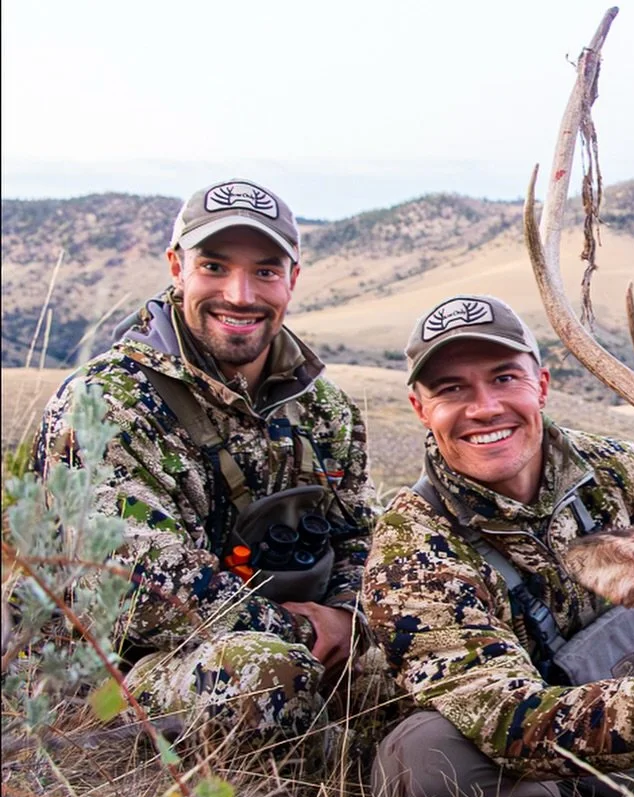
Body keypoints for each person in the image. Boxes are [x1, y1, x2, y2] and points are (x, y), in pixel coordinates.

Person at [34, 179, 378, 763]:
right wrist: (304, 632)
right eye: (214, 267)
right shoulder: (106, 403)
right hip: (122, 670)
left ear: (292, 279)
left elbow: (361, 537)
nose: (240, 295)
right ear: (177, 267)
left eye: (265, 271)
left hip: (300, 646)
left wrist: (348, 615)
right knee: (264, 675)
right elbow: (130, 586)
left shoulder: (327, 410)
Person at [364, 293, 634, 797]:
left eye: (505, 378)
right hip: (500, 764)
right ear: (421, 409)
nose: (484, 407)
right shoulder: (412, 547)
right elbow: (503, 719)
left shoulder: (620, 474)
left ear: (541, 386)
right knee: (427, 760)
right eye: (452, 389)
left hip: (627, 745)